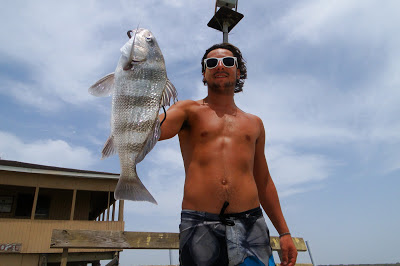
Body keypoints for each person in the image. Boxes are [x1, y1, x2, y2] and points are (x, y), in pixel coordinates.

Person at [159, 43, 297, 266]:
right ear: (204, 73)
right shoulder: (187, 110)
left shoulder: (255, 123)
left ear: (238, 71)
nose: (219, 66)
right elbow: (149, 131)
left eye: (228, 62)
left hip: (251, 224)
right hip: (199, 225)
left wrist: (284, 232)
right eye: (211, 63)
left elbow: (263, 181)